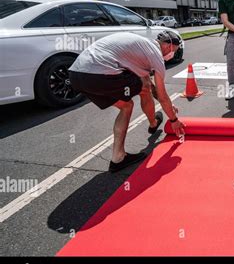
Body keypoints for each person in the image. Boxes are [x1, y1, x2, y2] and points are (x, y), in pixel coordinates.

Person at [69, 31, 185, 173]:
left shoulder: (142, 47)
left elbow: (150, 84)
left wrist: (168, 106)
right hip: (98, 73)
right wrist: (174, 119)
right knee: (144, 88)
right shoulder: (155, 55)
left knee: (127, 104)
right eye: (175, 50)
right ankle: (152, 124)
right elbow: (162, 95)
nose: (173, 54)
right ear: (168, 45)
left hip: (77, 75)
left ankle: (120, 156)